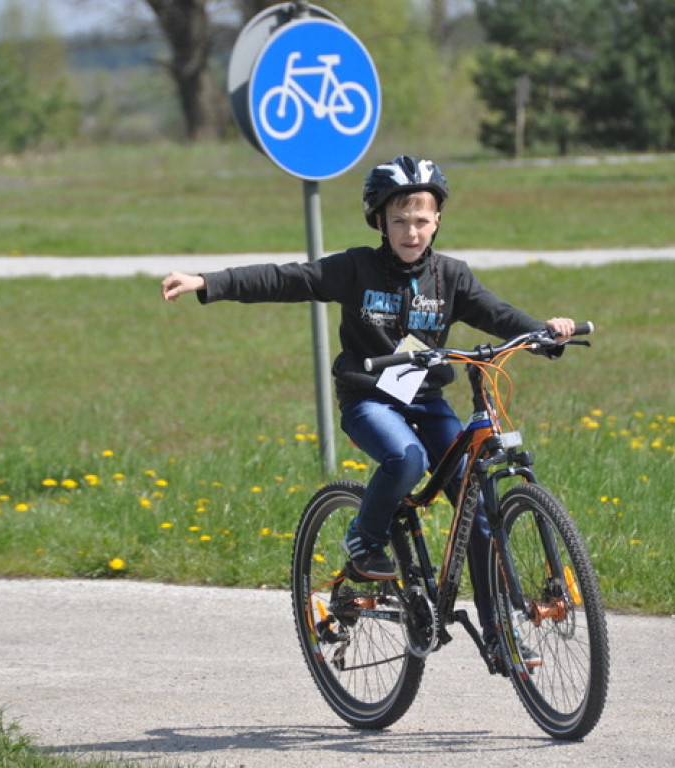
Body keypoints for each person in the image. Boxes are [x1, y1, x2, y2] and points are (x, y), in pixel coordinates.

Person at [163, 155, 575, 652]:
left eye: (421, 220)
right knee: (408, 458)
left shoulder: (451, 277)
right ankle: (365, 539)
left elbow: (498, 313)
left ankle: (498, 635)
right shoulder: (356, 268)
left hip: (426, 402)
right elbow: (285, 278)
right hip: (369, 401)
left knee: (478, 507)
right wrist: (209, 282)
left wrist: (544, 334)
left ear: (438, 220)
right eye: (399, 220)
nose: (411, 231)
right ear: (379, 220)